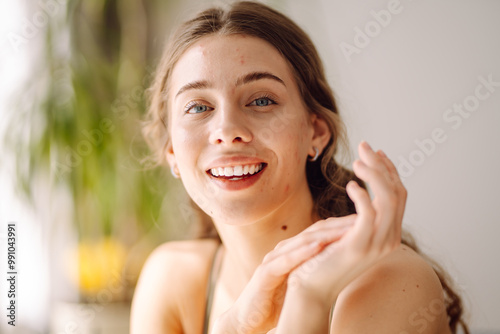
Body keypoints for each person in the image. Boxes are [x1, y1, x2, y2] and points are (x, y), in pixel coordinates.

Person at [130, 1, 469, 333]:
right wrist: (232, 327)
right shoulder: (171, 279)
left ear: (316, 133)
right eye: (198, 107)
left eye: (262, 100)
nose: (227, 131)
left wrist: (310, 298)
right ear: (172, 150)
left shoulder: (391, 283)